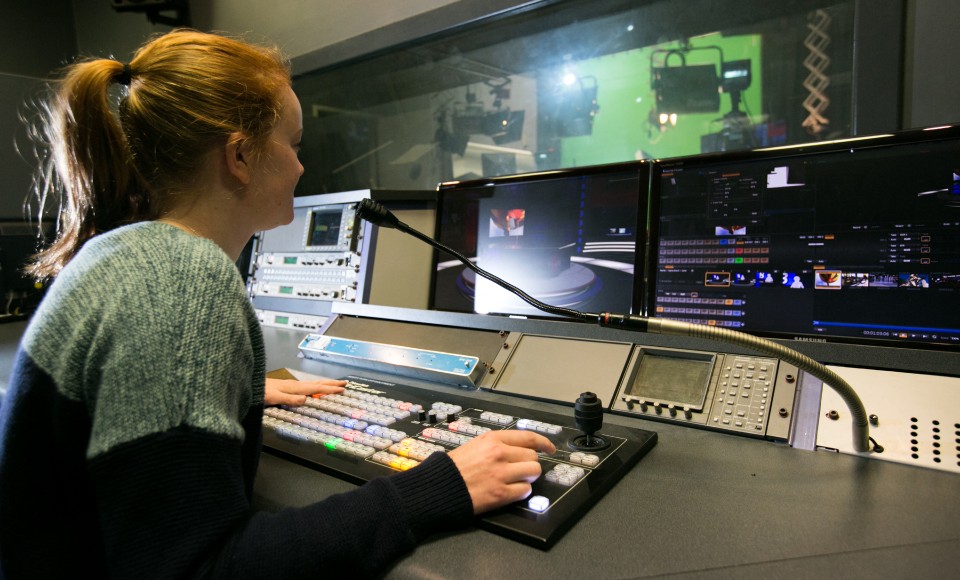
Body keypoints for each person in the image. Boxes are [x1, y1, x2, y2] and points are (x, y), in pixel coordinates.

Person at [0, 29, 554, 578]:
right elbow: (199, 569)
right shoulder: (182, 279)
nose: (300, 167)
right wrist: (438, 487)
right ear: (240, 155)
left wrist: (226, 390)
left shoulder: (122, 254)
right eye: (294, 143)